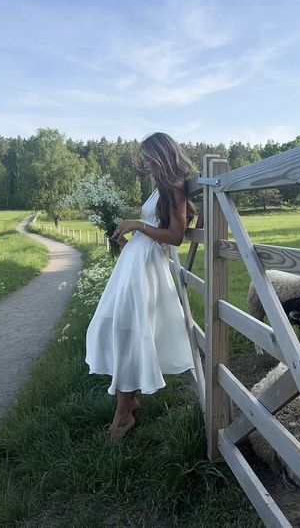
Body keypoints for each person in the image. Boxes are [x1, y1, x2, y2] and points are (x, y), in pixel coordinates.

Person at [85, 132, 196, 440]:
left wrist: (137, 225)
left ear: (162, 156)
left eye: (148, 158)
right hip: (134, 266)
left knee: (129, 330)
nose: (144, 164)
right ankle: (128, 400)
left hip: (146, 269)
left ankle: (123, 415)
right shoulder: (160, 188)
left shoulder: (176, 188)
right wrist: (130, 229)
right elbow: (155, 228)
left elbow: (175, 235)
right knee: (118, 326)